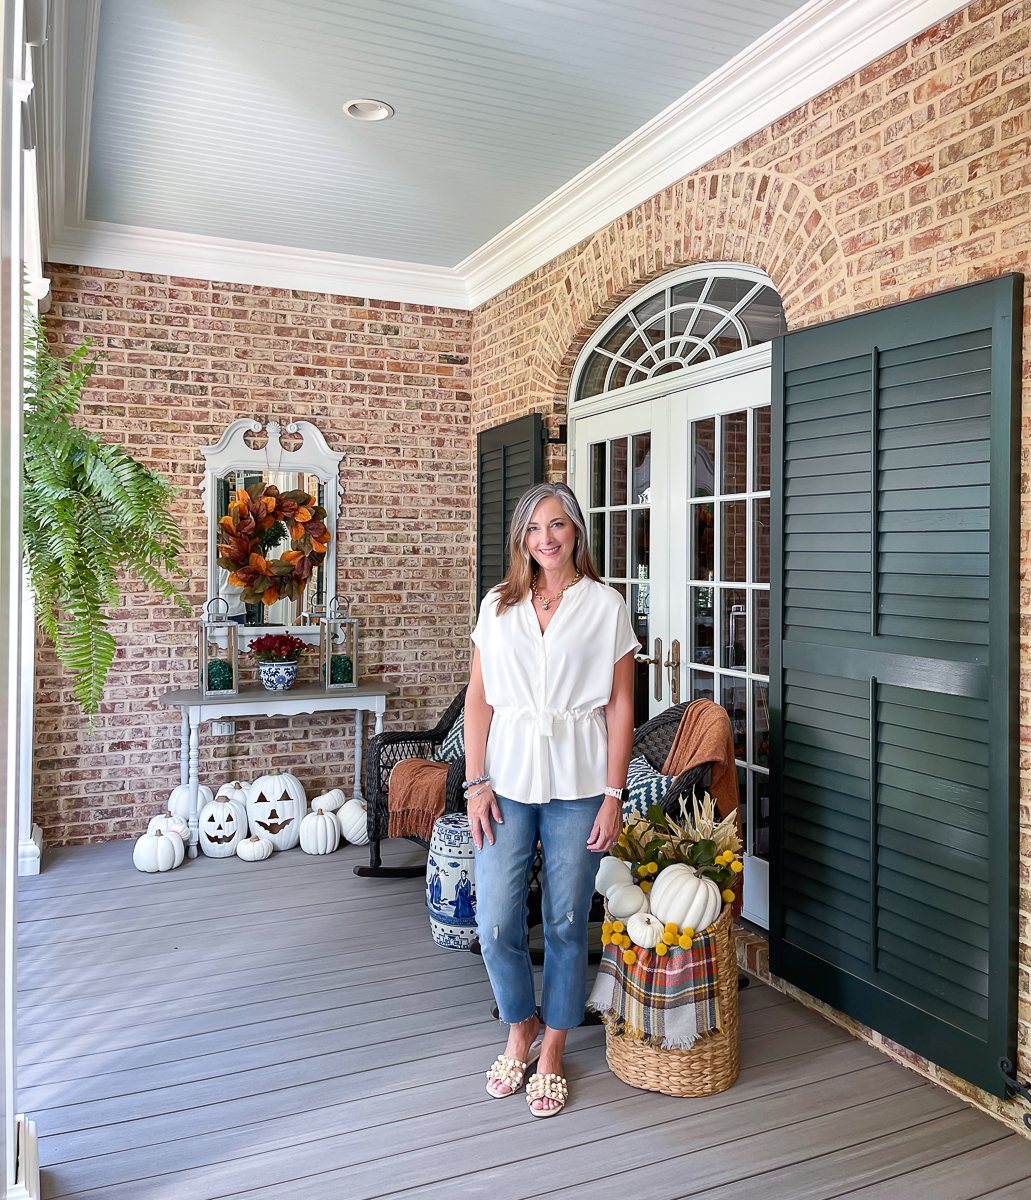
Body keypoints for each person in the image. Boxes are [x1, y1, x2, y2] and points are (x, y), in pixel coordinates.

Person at [464, 482, 638, 1117]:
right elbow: (479, 699)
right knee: (496, 922)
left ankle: (554, 1047)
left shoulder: (606, 606)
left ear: (576, 533)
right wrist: (474, 780)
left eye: (557, 525)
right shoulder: (497, 605)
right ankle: (520, 1026)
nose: (546, 538)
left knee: (566, 921)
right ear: (521, 540)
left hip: (578, 784)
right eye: (534, 528)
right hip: (504, 783)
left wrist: (613, 794)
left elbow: (620, 706)